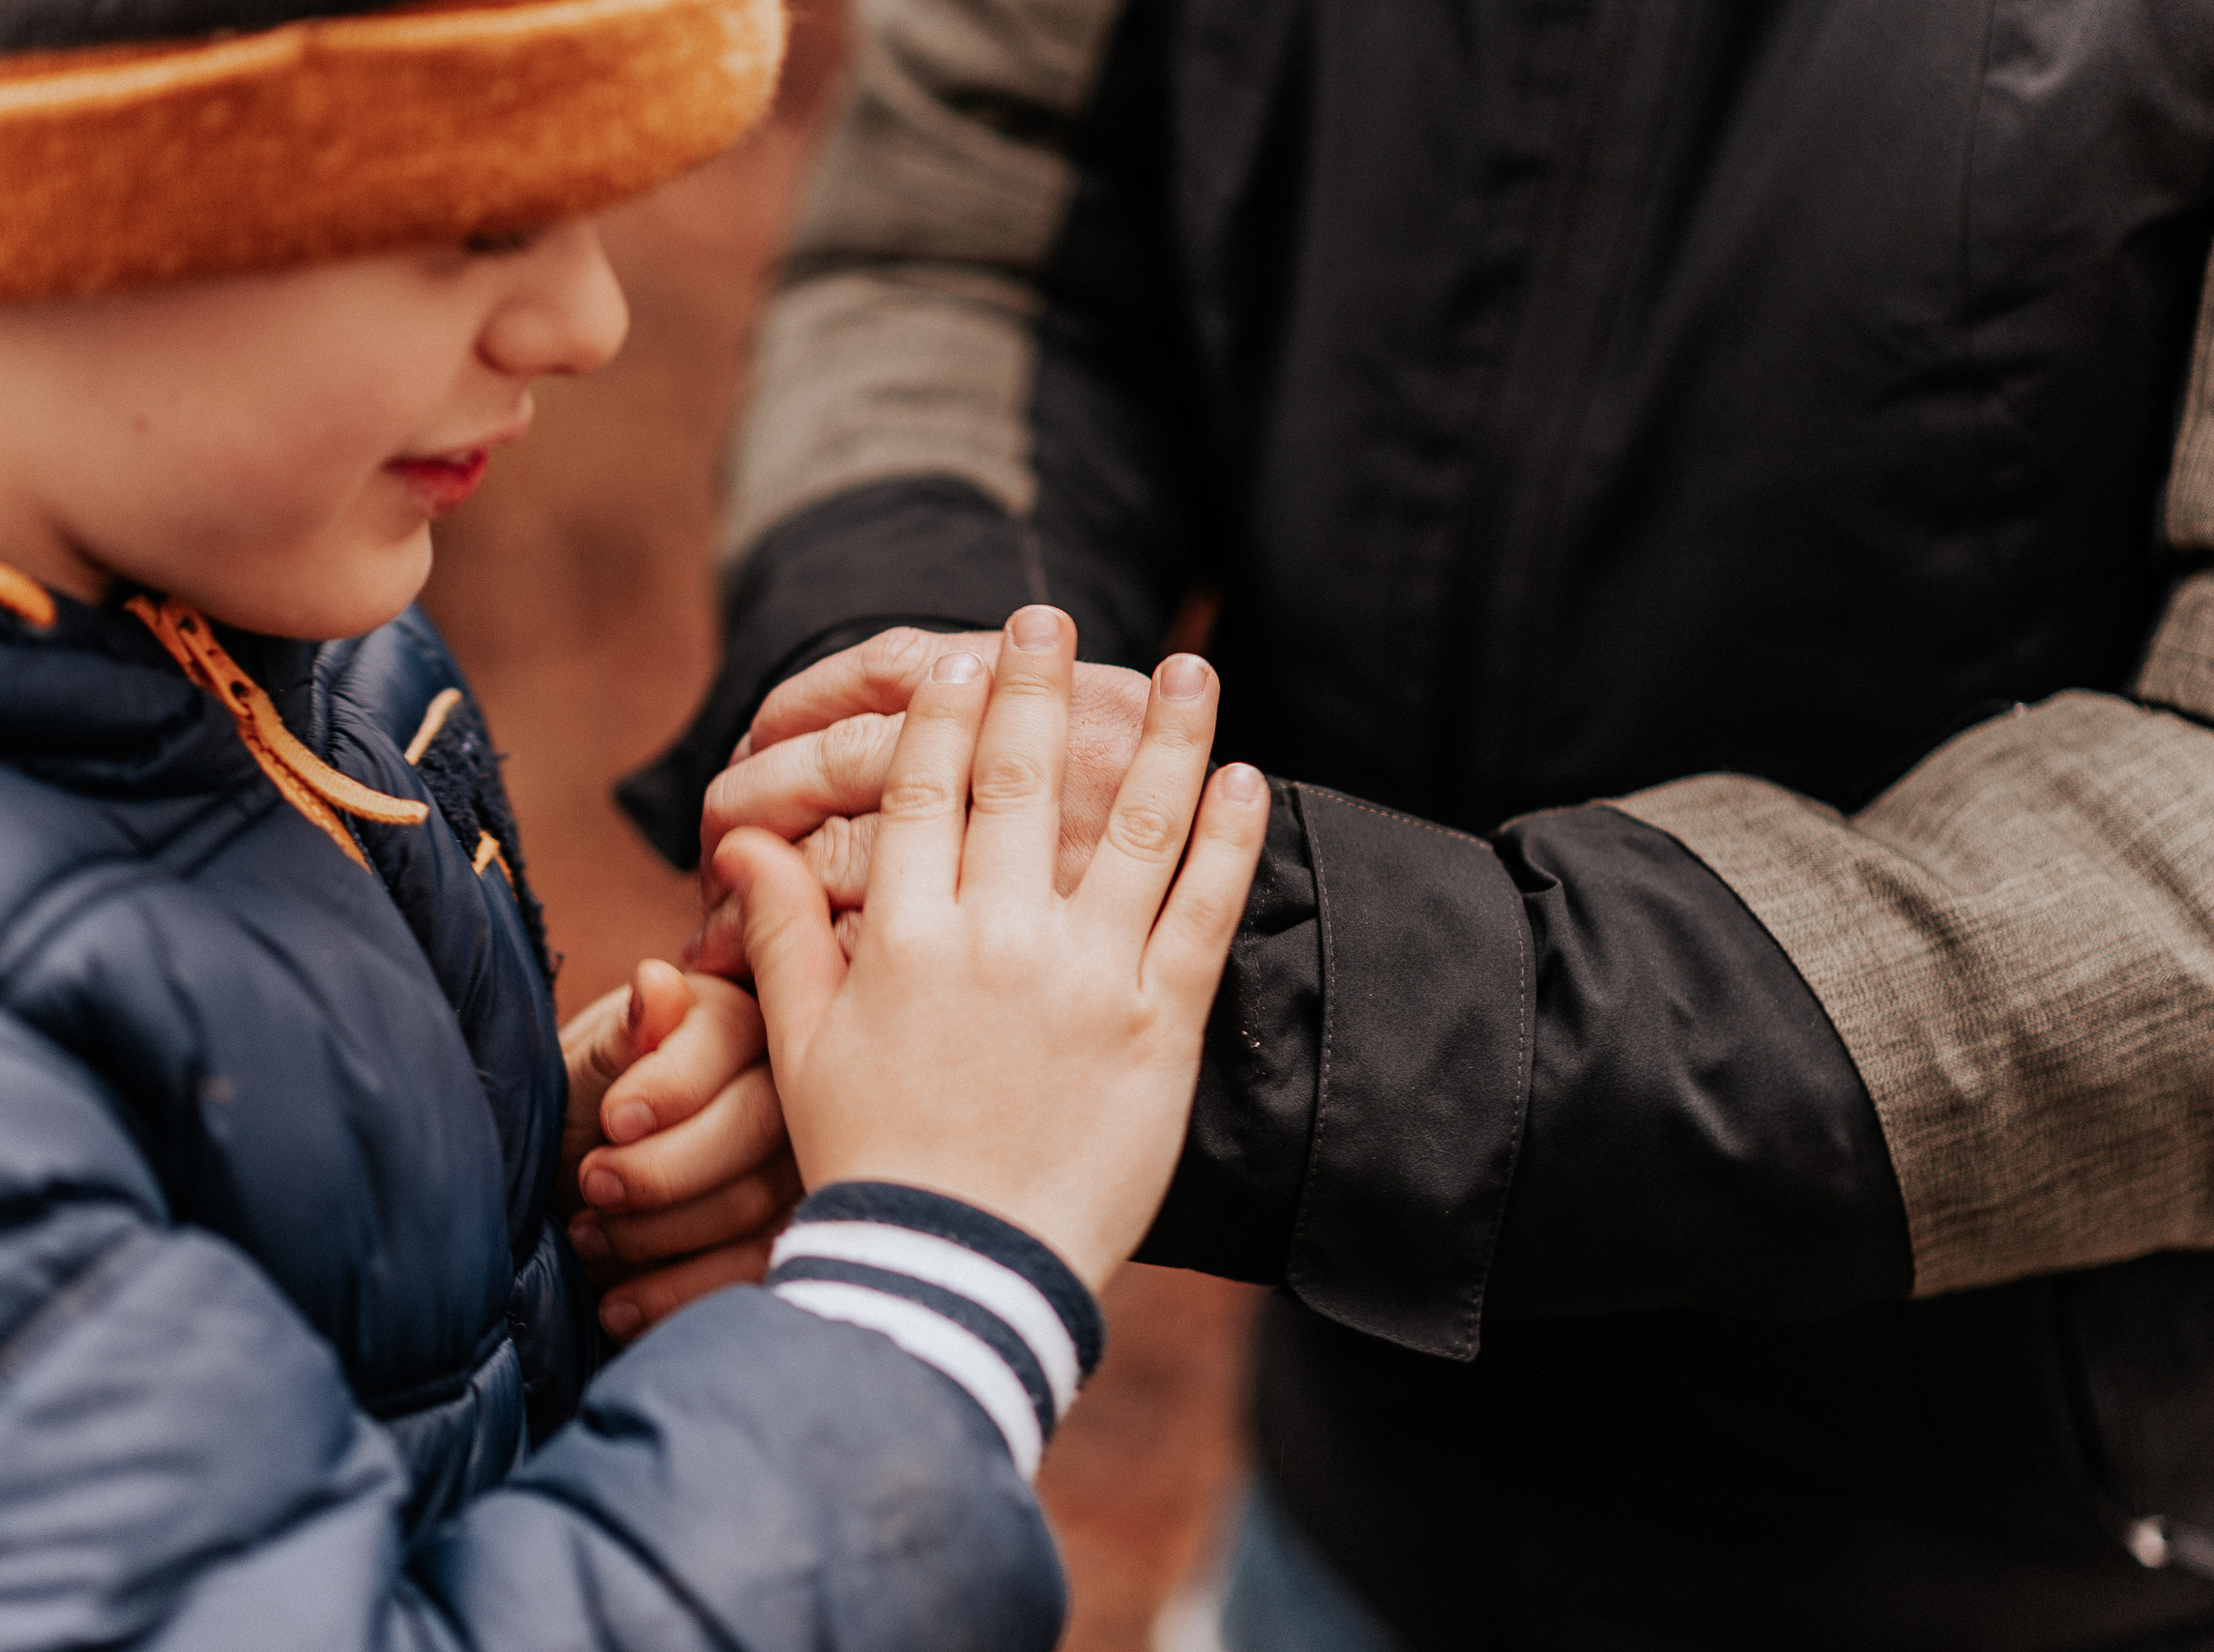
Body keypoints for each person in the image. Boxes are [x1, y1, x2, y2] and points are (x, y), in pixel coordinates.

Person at [623, 1, 2214, 1645]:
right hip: (1337, 1513)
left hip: (2028, 1569)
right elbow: (976, 224)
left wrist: (1192, 1000)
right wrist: (931, 814)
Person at [0, 3, 1268, 1646]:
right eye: (480, 225)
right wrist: (929, 1294)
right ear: (53, 204)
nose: (588, 317)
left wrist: (540, 1204)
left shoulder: (252, 621)